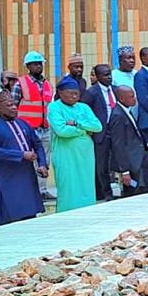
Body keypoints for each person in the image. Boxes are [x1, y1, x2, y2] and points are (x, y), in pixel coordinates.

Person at [0, 91, 48, 225]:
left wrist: (42, 163)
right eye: (9, 105)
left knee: (29, 210)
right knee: (10, 210)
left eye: (14, 104)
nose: (14, 107)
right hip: (7, 175)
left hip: (26, 173)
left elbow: (37, 144)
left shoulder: (23, 124)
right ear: (0, 108)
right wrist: (21, 155)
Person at [46, 76, 102, 212]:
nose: (74, 96)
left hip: (85, 155)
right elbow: (62, 130)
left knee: (86, 185)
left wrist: (77, 124)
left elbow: (97, 126)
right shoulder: (54, 107)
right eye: (70, 93)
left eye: (77, 93)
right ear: (60, 93)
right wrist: (84, 131)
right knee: (68, 186)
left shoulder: (84, 107)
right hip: (66, 154)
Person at [108, 85, 148, 196]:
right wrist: (125, 171)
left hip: (140, 152)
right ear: (122, 99)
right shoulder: (118, 116)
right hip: (133, 157)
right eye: (131, 97)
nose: (135, 99)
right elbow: (118, 145)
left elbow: (136, 131)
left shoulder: (126, 110)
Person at [12, 51, 56, 199]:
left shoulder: (47, 84)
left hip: (45, 128)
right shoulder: (21, 83)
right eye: (34, 64)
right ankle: (29, 190)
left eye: (40, 63)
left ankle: (42, 190)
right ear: (28, 66)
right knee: (28, 160)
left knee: (44, 160)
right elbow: (13, 105)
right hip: (27, 130)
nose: (38, 66)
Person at [80, 64, 117, 200]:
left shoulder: (115, 90)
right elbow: (83, 111)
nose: (109, 77)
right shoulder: (92, 92)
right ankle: (106, 193)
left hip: (116, 131)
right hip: (101, 133)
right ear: (98, 76)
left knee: (121, 161)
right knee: (102, 165)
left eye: (110, 74)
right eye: (105, 75)